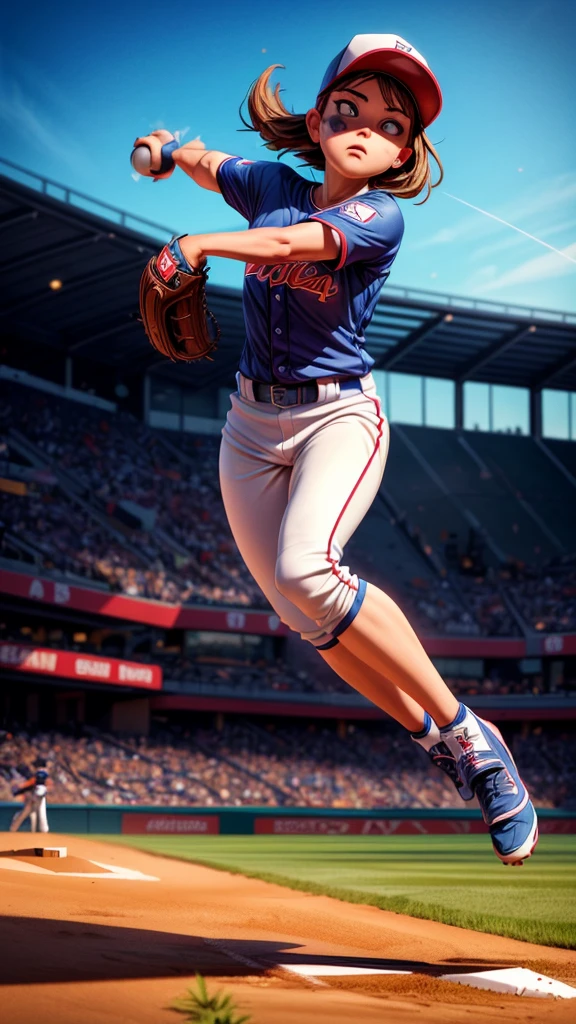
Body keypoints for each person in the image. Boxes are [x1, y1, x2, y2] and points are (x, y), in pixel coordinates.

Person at [134, 33, 537, 864]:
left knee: (308, 571)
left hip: (336, 420)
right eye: (351, 109)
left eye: (395, 125)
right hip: (249, 424)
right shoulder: (271, 184)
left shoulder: (376, 217)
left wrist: (201, 245)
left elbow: (292, 246)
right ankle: (432, 737)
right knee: (297, 607)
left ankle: (472, 736)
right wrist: (168, 150)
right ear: (318, 118)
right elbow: (215, 164)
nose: (370, 129)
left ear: (403, 153)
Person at [10, 757, 50, 833]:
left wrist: (20, 789)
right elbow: (33, 782)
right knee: (32, 812)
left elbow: (33, 782)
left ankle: (15, 828)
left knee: (30, 813)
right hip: (33, 794)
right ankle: (14, 828)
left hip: (33, 793)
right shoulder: (37, 773)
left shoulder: (38, 773)